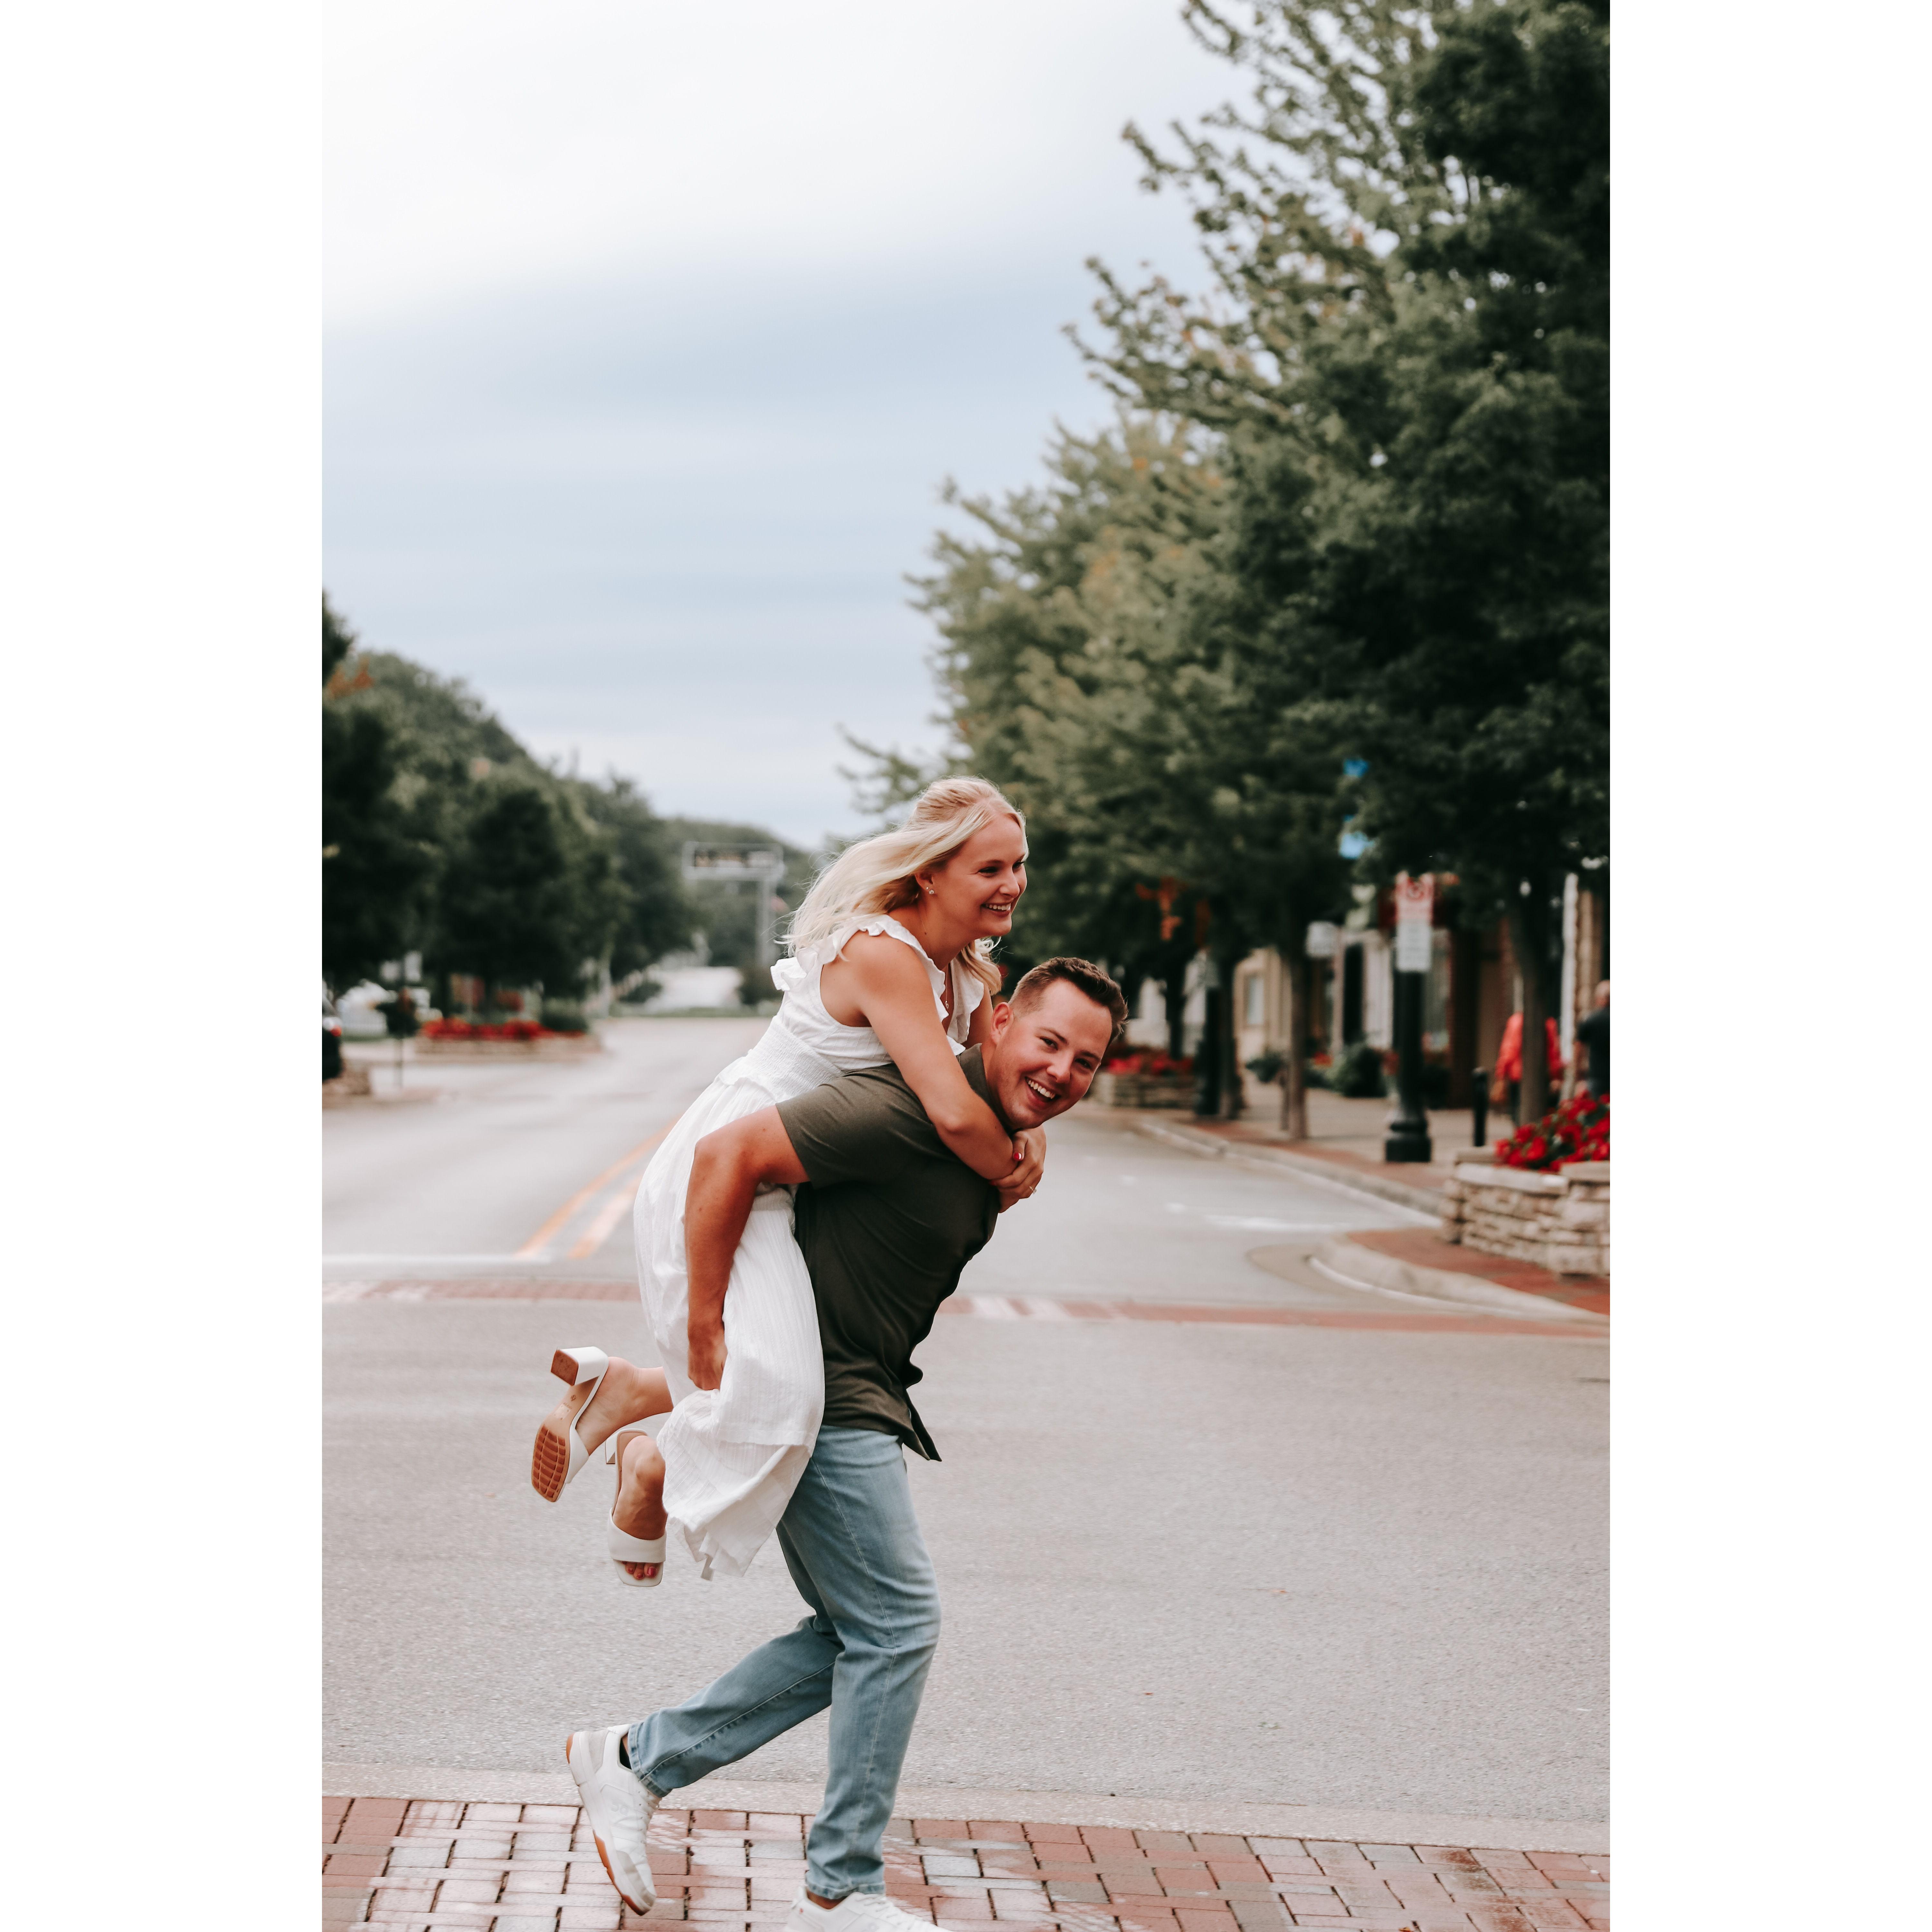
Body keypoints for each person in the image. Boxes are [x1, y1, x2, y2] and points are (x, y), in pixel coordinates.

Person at [563, 957, 1127, 1926]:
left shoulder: (985, 1137)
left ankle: (634, 1759)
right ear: (998, 1023)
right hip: (822, 1397)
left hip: (850, 1393)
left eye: (1085, 1061)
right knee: (897, 1625)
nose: (1062, 1072)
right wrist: (704, 1332)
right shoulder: (905, 1110)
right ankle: (841, 1887)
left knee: (855, 1634)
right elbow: (727, 1154)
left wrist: (1016, 1149)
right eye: (1049, 1042)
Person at [529, 778, 1046, 1586]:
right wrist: (1014, 1168)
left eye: (1018, 865)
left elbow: (997, 1082)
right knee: (787, 1393)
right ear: (929, 873)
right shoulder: (886, 954)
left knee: (795, 1365)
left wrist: (1029, 1135)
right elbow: (955, 1112)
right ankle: (652, 1462)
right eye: (990, 868)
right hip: (730, 1165)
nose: (1012, 884)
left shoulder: (969, 977)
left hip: (799, 1175)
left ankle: (628, 1391)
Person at [1493, 1009, 1564, 1124]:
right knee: (1542, 1113)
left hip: (1517, 1076)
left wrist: (1501, 1075)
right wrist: (1556, 1076)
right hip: (1541, 1076)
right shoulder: (1549, 1023)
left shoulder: (1515, 1022)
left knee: (1518, 1111)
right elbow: (1553, 1052)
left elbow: (1508, 1051)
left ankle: (1521, 1131)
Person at [1575, 980, 1609, 1098]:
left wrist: (1579, 1074)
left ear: (1599, 999)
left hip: (1596, 1077)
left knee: (1596, 1106)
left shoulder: (1591, 1020)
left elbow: (1579, 1047)